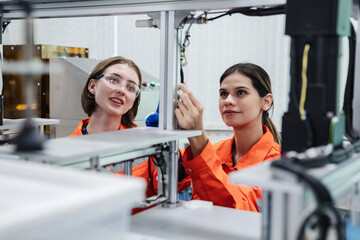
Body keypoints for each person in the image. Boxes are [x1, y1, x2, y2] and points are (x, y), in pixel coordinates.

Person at [69, 56, 191, 207]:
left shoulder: (143, 142)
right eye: (114, 80)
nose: (121, 90)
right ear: (92, 86)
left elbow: (178, 181)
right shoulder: (67, 150)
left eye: (131, 87)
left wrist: (165, 140)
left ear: (134, 99)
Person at [175, 63, 281, 212]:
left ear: (266, 101)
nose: (228, 101)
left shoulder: (278, 167)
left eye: (241, 92)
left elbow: (239, 209)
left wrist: (197, 137)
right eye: (223, 94)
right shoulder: (216, 151)